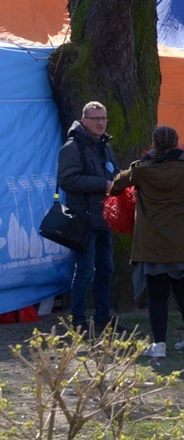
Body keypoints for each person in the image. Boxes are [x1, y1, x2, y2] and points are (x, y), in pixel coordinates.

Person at [110, 126, 184, 358]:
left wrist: (139, 166)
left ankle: (160, 345)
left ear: (153, 144)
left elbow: (115, 186)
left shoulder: (141, 170)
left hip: (153, 243)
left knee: (157, 295)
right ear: (176, 143)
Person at [57, 101, 125, 335]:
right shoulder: (72, 147)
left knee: (106, 269)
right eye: (95, 119)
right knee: (84, 270)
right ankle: (78, 322)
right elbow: (68, 180)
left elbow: (113, 172)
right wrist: (103, 184)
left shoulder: (105, 145)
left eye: (103, 118)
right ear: (84, 120)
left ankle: (103, 318)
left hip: (104, 219)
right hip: (83, 220)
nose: (100, 123)